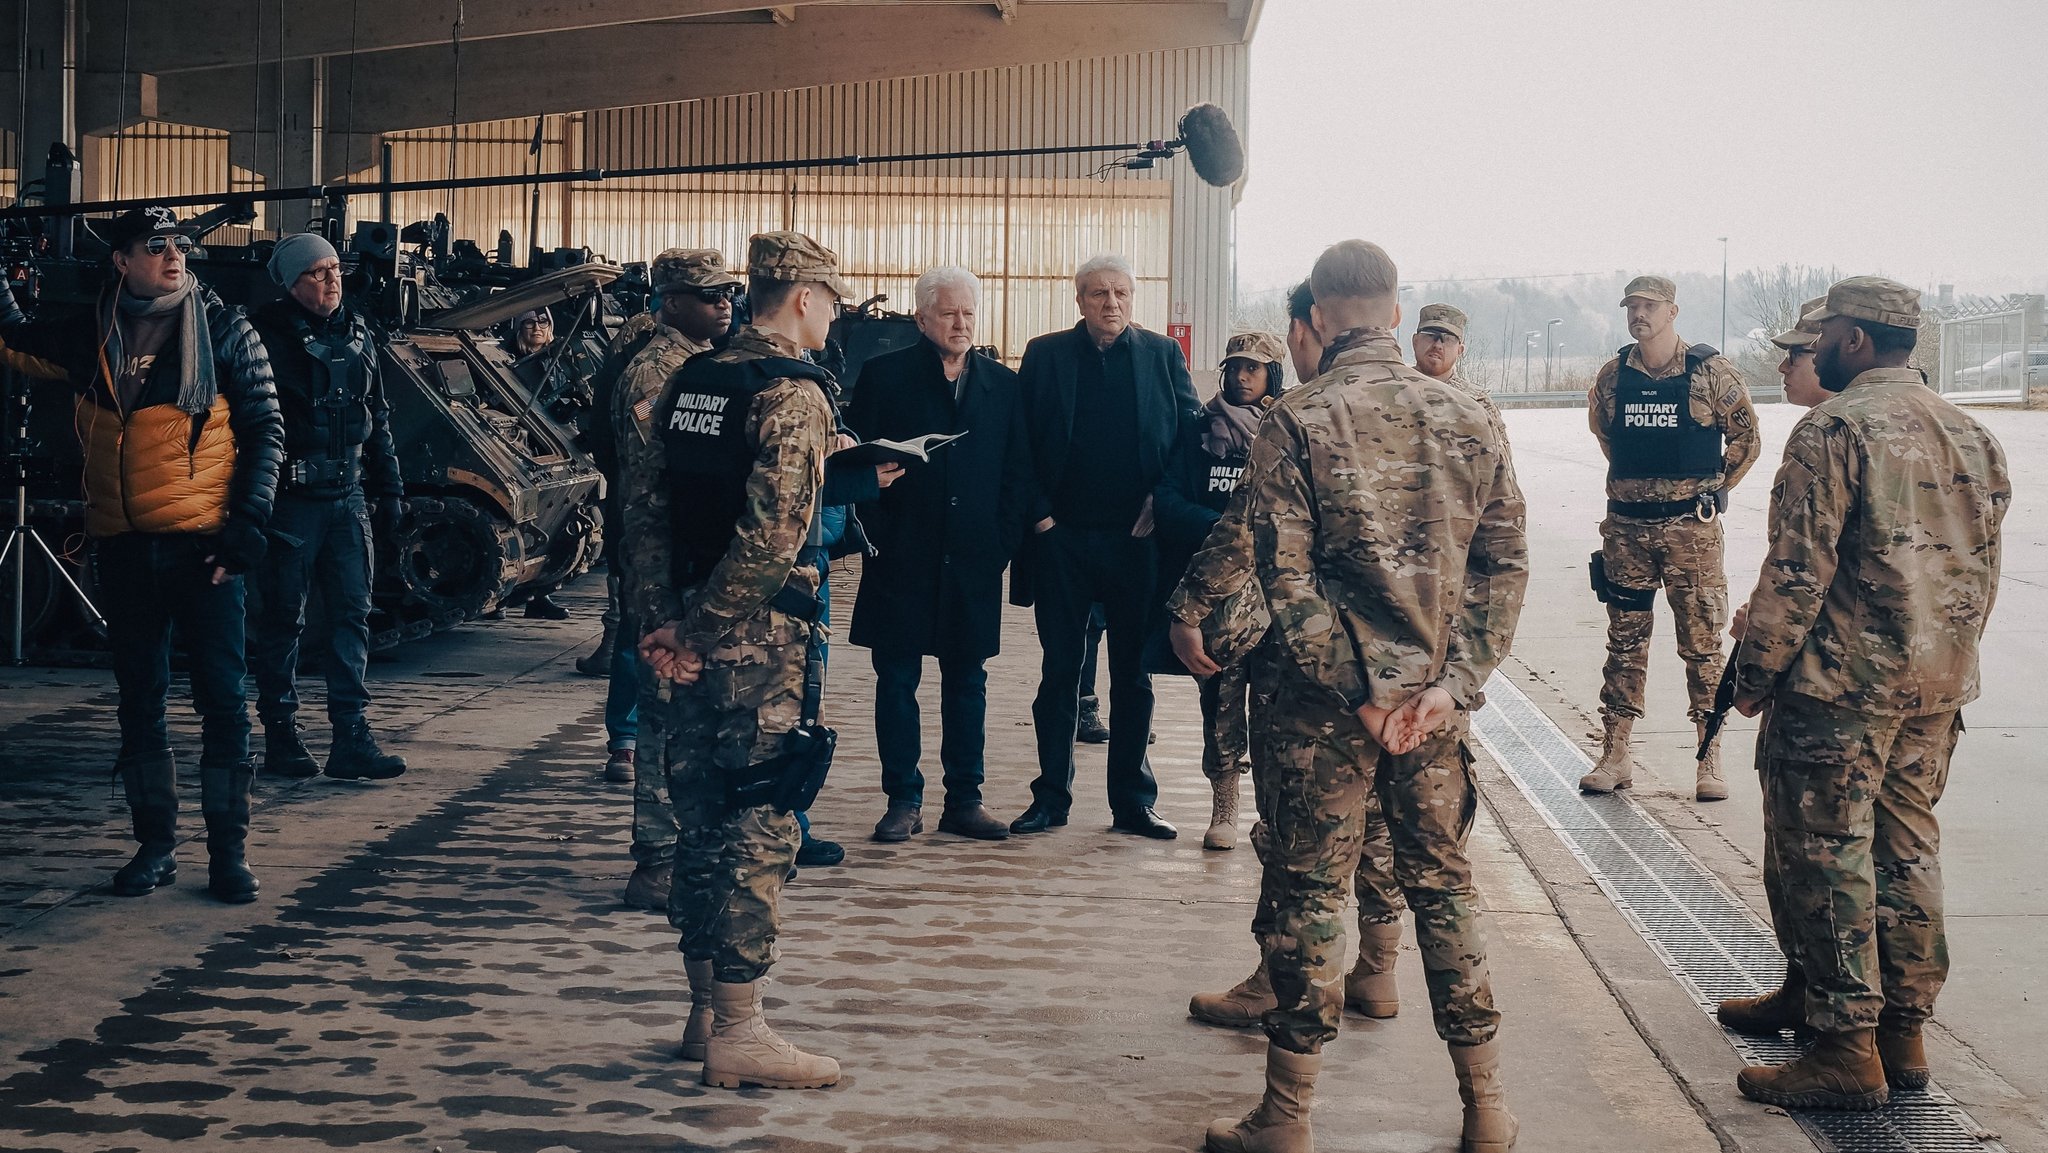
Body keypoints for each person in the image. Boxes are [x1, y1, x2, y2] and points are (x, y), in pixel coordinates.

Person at [1204, 240, 1528, 1153]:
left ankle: (1287, 1117)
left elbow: (1286, 581)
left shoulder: (1294, 420)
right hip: (1432, 714)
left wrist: (1358, 694)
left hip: (1322, 717)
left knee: (1310, 897)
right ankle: (1487, 1109)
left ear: (1314, 321)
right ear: (1395, 311)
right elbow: (1503, 570)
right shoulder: (1469, 415)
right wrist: (1453, 688)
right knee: (1446, 895)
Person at [1718, 278, 2008, 1111]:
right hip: (1936, 685)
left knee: (1825, 851)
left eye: (1825, 334)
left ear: (1853, 340)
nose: (1816, 348)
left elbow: (1798, 571)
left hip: (1843, 687)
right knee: (1906, 845)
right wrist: (1948, 663)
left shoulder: (1835, 428)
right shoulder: (1974, 434)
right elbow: (1981, 574)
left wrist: (1754, 675)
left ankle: (1845, 1042)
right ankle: (1899, 1029)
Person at [0, 205, 284, 903]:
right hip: (123, 548)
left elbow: (267, 427)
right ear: (121, 260)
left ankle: (228, 854)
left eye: (180, 244)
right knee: (139, 702)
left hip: (203, 551)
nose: (174, 255)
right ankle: (155, 845)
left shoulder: (223, 329)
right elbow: (12, 338)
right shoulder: (90, 331)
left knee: (221, 702)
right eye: (155, 245)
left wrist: (246, 524)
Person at [632, 230, 847, 1091]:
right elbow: (771, 541)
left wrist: (663, 624)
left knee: (701, 815)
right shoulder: (794, 395)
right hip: (752, 645)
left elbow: (646, 513)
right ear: (802, 297)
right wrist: (704, 627)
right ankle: (741, 1028)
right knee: (760, 821)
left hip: (683, 628)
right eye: (831, 299)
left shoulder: (693, 379)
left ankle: (700, 1013)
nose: (833, 315)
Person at [1176, 281, 1411, 1029]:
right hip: (1404, 661)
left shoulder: (1301, 417)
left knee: (1297, 832)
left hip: (1312, 659)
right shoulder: (1445, 409)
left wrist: (1186, 608)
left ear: (1311, 328)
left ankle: (1279, 983)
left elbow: (1248, 528)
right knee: (1380, 821)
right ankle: (1377, 971)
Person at [1009, 254, 1198, 839]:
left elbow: (1188, 442)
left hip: (1136, 542)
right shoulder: (1045, 355)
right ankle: (1051, 797)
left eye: (1119, 292)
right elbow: (1018, 440)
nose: (1109, 302)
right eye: (1097, 293)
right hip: (1061, 539)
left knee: (1133, 676)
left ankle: (1133, 802)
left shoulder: (1163, 356)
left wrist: (1159, 504)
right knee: (1059, 673)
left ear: (1132, 299)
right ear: (1079, 300)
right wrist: (1040, 518)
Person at [848, 265, 1029, 844]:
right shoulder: (883, 377)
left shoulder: (1003, 385)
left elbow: (1016, 472)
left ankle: (965, 800)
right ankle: (903, 798)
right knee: (896, 678)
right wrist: (878, 530)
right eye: (948, 312)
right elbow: (856, 464)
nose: (960, 323)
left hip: (974, 557)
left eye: (968, 313)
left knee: (966, 680)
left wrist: (1000, 541)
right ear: (922, 317)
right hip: (901, 554)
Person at [1582, 275, 1759, 803]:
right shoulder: (1613, 377)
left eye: (1649, 306)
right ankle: (1615, 753)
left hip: (1691, 532)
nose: (1639, 314)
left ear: (1673, 311)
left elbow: (1745, 439)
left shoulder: (1710, 372)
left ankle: (1709, 759)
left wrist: (1709, 490)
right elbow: (1607, 435)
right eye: (1631, 306)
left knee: (1703, 645)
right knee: (1624, 642)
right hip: (1628, 531)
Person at [606, 248, 743, 910]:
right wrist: (656, 596)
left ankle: (682, 851)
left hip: (692, 568)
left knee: (691, 717)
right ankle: (654, 861)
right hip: (660, 571)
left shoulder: (702, 366)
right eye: (707, 294)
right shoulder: (655, 372)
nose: (722, 303)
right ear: (671, 302)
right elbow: (646, 495)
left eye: (727, 293)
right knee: (661, 717)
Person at [245, 232, 408, 783]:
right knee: (283, 621)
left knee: (351, 617)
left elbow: (377, 414)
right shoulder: (261, 336)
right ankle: (281, 735)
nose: (331, 279)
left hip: (348, 497)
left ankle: (351, 736)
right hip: (288, 502)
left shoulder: (359, 332)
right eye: (316, 272)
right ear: (291, 282)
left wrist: (391, 488)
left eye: (335, 268)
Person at [1150, 330, 1285, 850]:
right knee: (1221, 701)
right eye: (1235, 367)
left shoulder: (1288, 429)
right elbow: (1167, 497)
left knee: (1275, 708)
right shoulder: (1198, 430)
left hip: (1276, 599)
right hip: (1215, 596)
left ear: (1272, 373)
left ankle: (1272, 816)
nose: (1243, 377)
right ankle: (1224, 808)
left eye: (1254, 368)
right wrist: (1222, 526)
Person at [505, 306, 574, 620]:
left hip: (551, 445)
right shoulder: (504, 360)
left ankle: (539, 594)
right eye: (528, 322)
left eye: (543, 320)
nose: (536, 327)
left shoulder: (556, 361)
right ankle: (501, 594)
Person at [1412, 302, 1506, 440]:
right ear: (1415, 341)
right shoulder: (1394, 391)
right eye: (1430, 335)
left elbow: (1500, 458)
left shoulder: (1478, 402)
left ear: (1460, 350)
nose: (1437, 345)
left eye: (1448, 339)